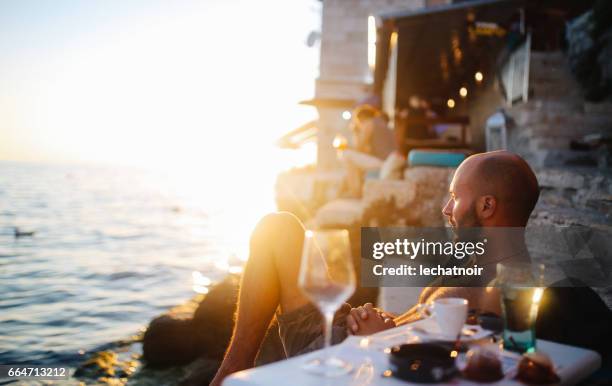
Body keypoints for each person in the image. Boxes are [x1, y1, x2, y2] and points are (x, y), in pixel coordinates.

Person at [210, 150, 540, 385]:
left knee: (276, 230)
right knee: (280, 228)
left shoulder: (502, 286)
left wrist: (381, 340)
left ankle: (230, 374)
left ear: (486, 206)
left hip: (356, 355)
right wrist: (378, 321)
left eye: (455, 197)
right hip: (363, 337)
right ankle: (232, 372)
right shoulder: (478, 259)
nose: (446, 209)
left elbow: (459, 354)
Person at [340, 104, 396, 197]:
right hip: (390, 161)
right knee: (353, 160)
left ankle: (355, 192)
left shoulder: (369, 123)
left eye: (358, 121)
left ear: (361, 118)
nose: (359, 124)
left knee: (347, 155)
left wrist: (356, 132)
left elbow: (359, 147)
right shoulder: (381, 123)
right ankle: (356, 190)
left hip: (384, 163)